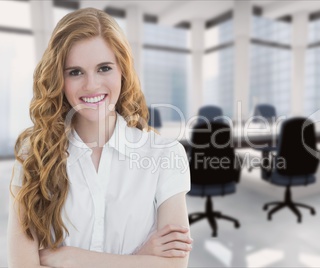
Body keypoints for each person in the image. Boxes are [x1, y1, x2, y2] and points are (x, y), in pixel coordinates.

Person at [7, 7, 192, 268]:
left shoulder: (165, 155)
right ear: (58, 79)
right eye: (75, 72)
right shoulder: (33, 156)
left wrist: (68, 257)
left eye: (104, 68)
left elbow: (175, 265)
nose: (91, 85)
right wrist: (140, 258)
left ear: (122, 71)